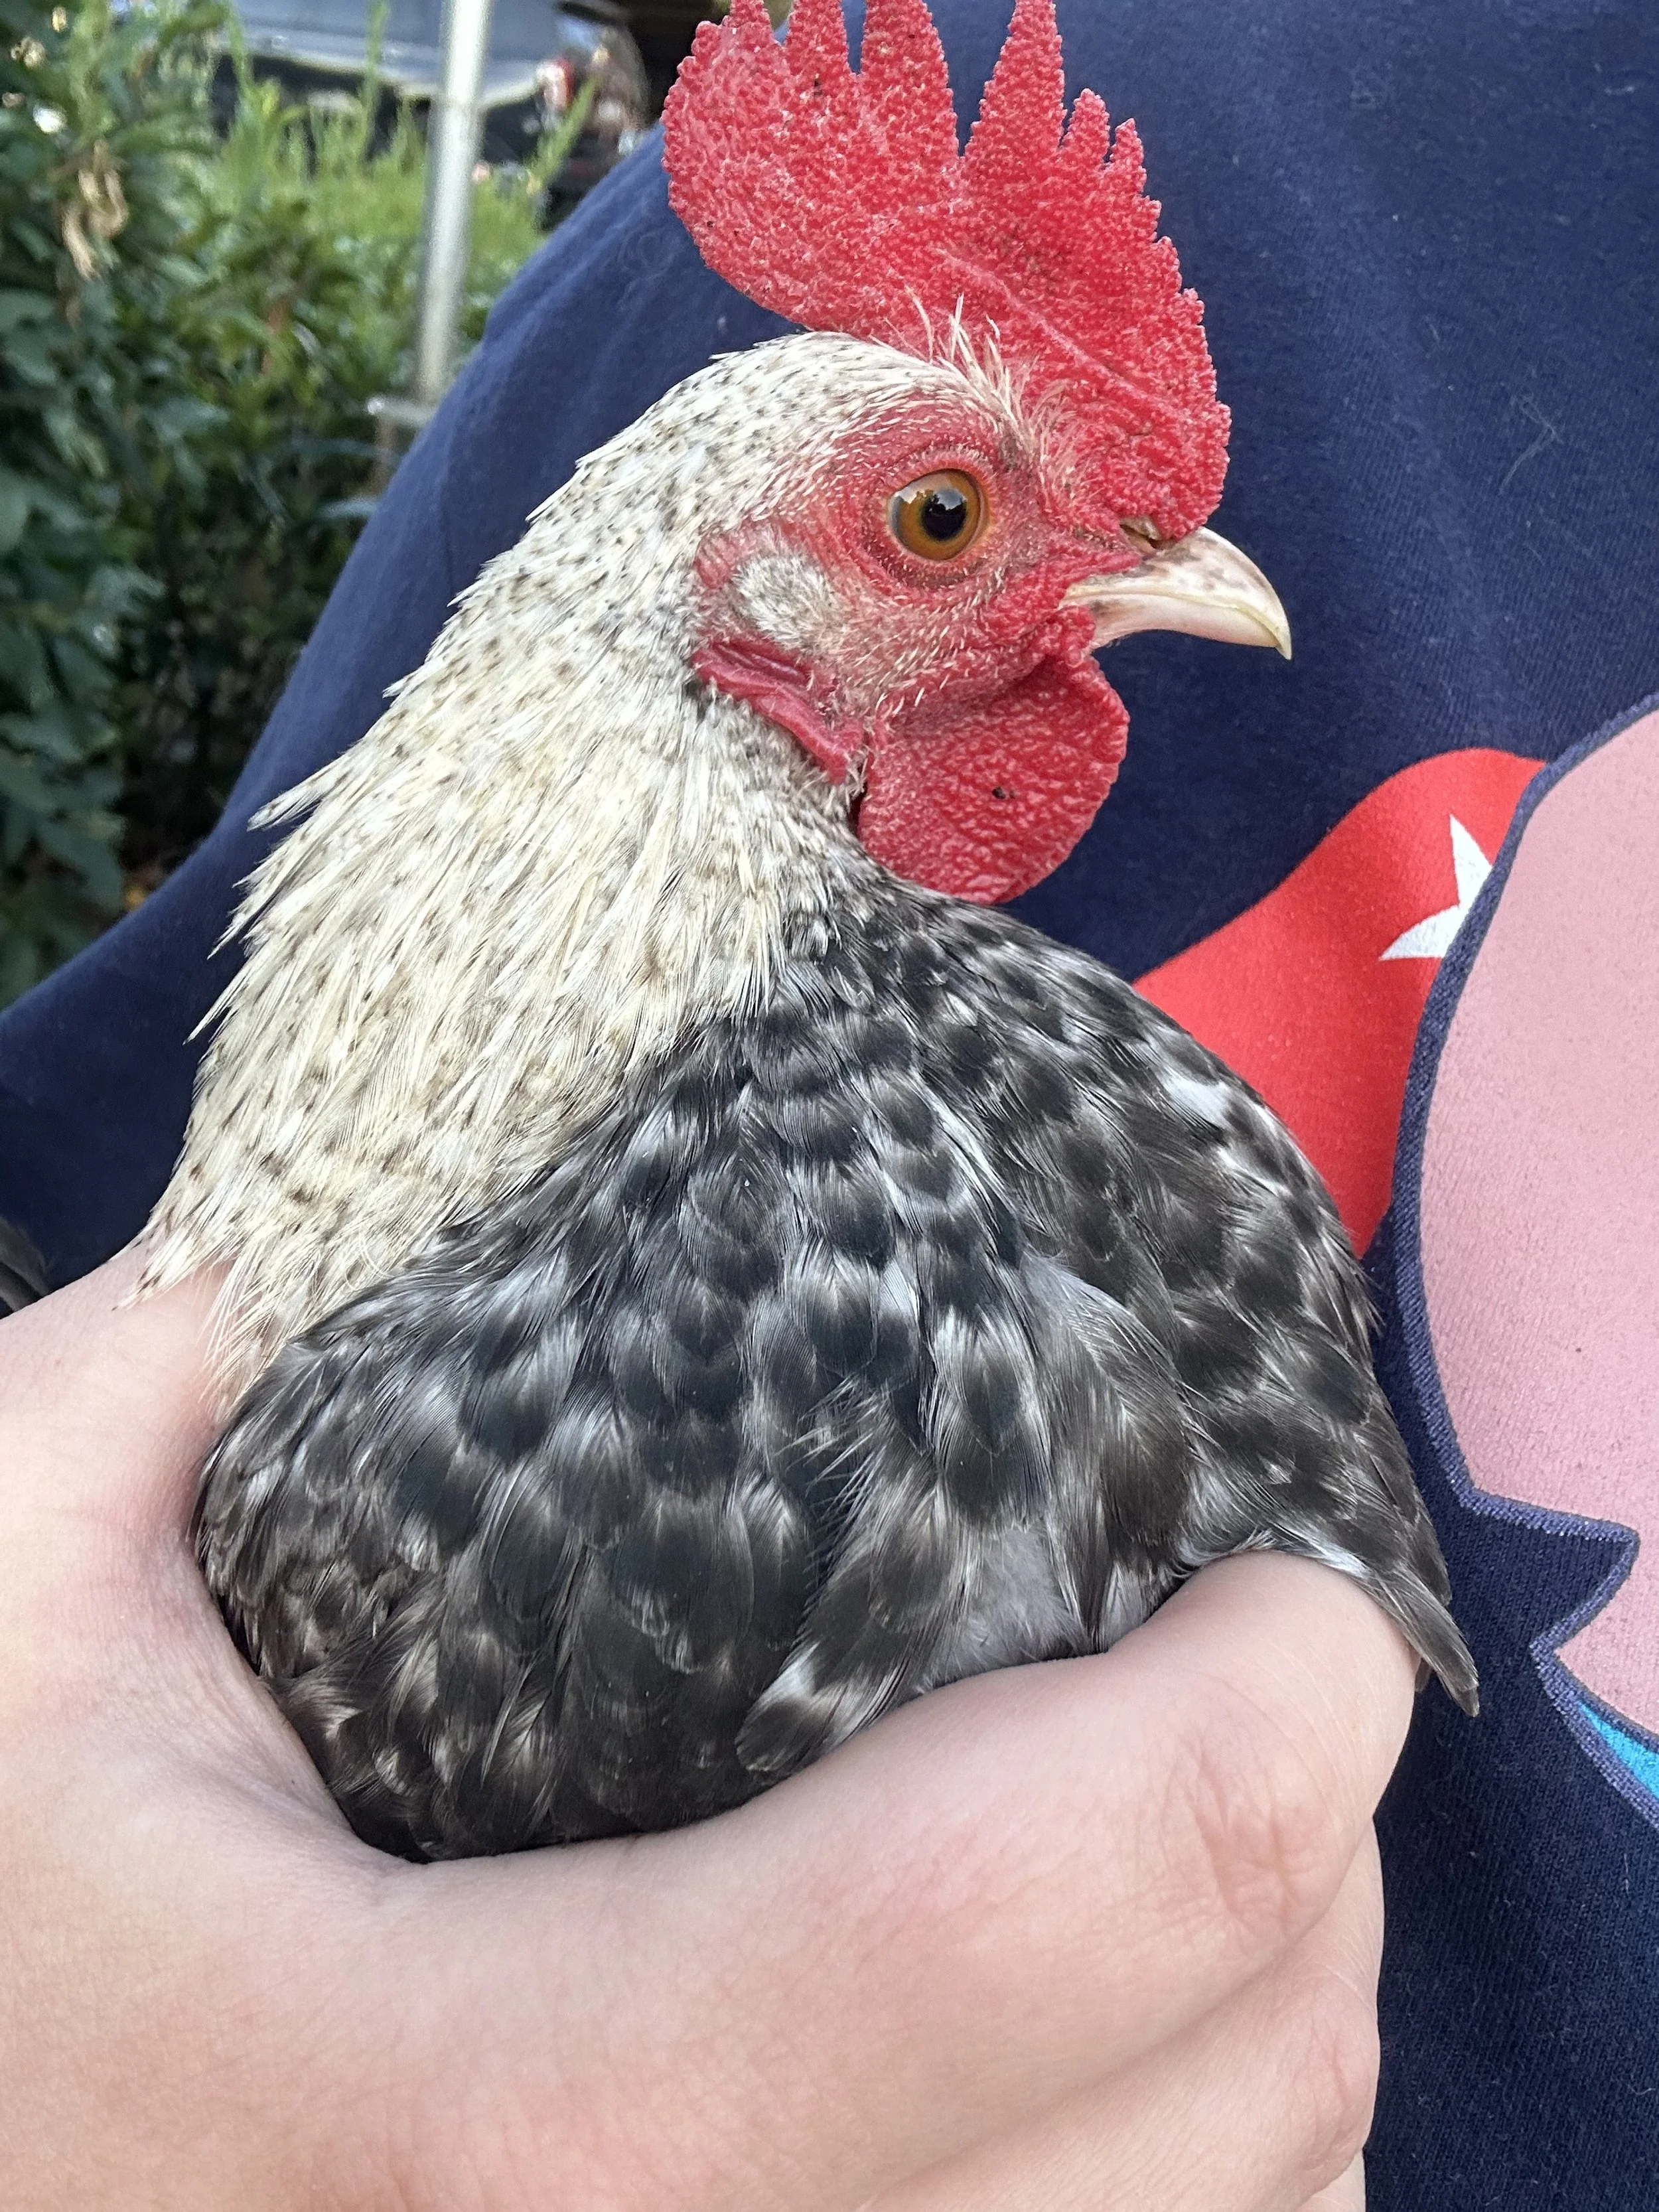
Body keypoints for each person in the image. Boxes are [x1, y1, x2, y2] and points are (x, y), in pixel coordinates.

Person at [0, 0, 1654, 2200]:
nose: (1150, 553)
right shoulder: (387, 1388)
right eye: (951, 515)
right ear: (725, 627)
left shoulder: (1118, 1139)